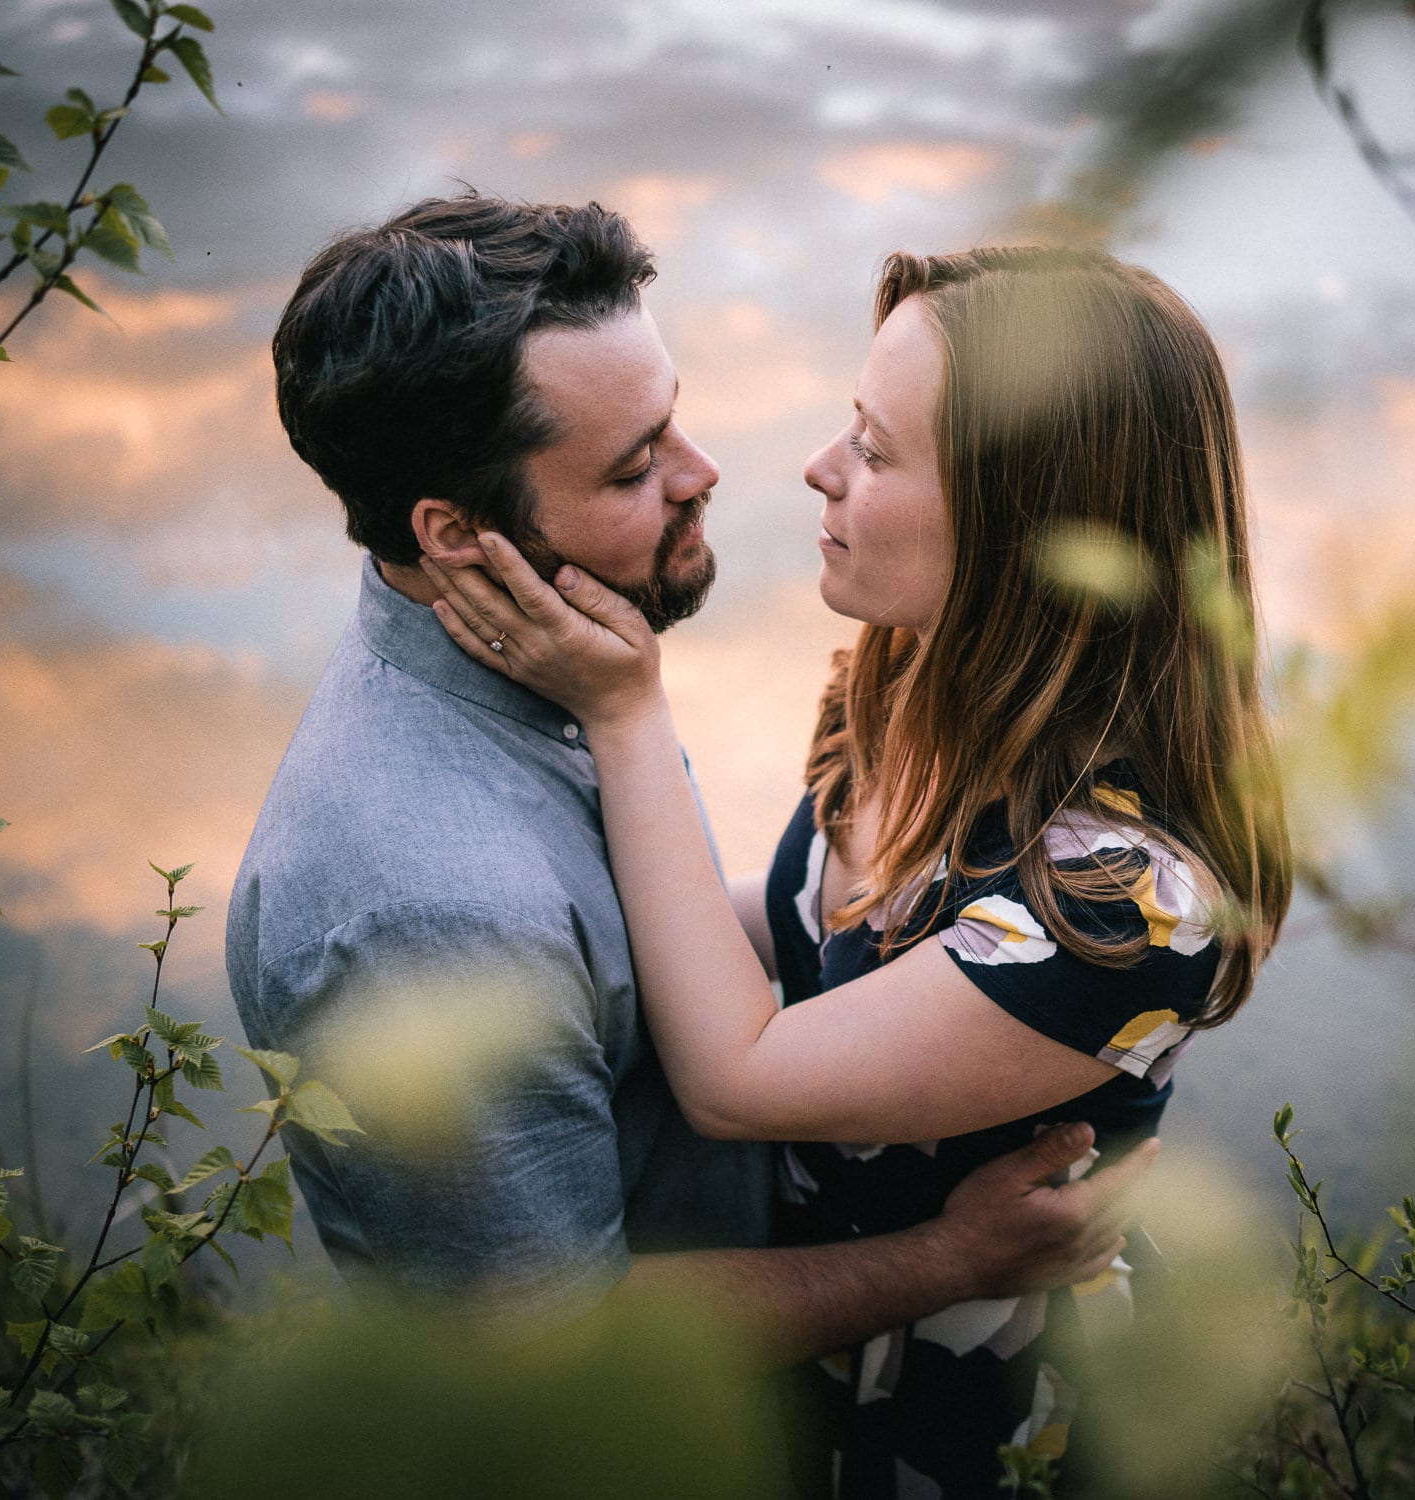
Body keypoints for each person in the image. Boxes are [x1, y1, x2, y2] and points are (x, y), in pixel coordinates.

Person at [422, 243, 1292, 1496]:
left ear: (1027, 525)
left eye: (878, 451)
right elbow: (791, 930)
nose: (820, 469)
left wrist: (624, 714)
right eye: (849, 424)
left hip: (982, 1436)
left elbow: (738, 1076)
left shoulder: (1128, 902)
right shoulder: (903, 691)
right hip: (807, 1366)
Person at [227, 197, 1151, 1367]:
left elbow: (697, 943)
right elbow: (556, 1366)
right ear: (456, 535)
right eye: (632, 468)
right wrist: (945, 1259)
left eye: (672, 420)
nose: (704, 472)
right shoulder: (430, 913)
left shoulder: (569, 679)